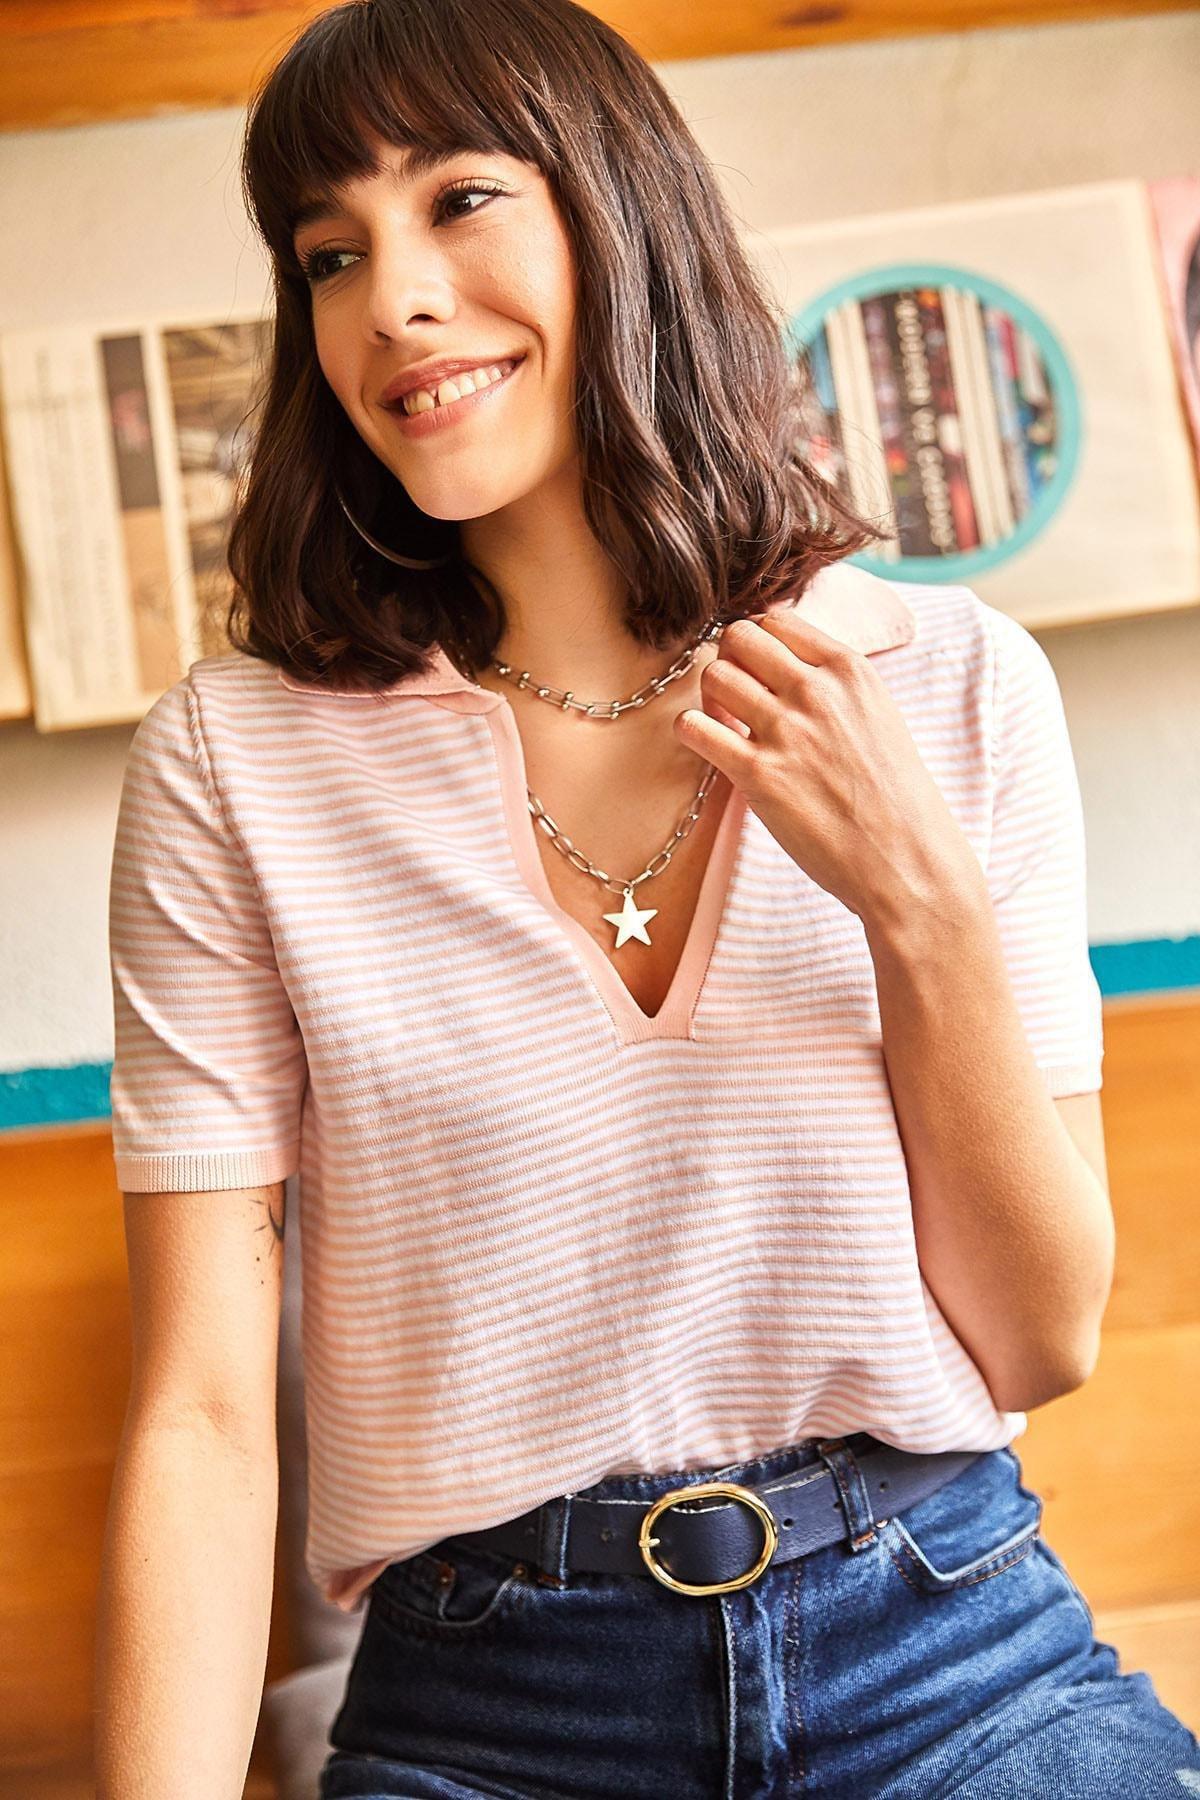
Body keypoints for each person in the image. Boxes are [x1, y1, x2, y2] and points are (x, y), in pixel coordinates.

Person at [94, 0, 1200, 1795]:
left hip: (950, 1663)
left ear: (620, 211)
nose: (392, 301)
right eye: (330, 252)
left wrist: (918, 911)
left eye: (460, 199)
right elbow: (208, 1423)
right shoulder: (236, 766)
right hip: (488, 1717)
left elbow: (1040, 1332)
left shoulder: (950, 683)